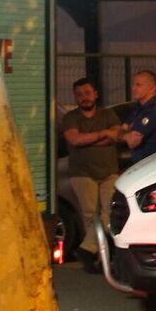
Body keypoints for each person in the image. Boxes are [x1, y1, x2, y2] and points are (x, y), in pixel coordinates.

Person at [59, 77, 120, 270]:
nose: (83, 97)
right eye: (79, 94)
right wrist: (103, 134)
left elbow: (116, 135)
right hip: (82, 173)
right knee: (90, 216)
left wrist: (90, 140)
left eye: (87, 93)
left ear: (95, 94)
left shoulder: (108, 114)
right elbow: (75, 140)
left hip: (109, 172)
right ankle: (99, 258)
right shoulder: (71, 118)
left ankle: (87, 250)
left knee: (109, 213)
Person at [119, 69, 156, 163]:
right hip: (139, 164)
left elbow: (132, 142)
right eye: (134, 84)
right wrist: (126, 134)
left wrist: (125, 133)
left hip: (152, 164)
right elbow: (122, 129)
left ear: (152, 88)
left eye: (138, 85)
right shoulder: (138, 108)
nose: (134, 88)